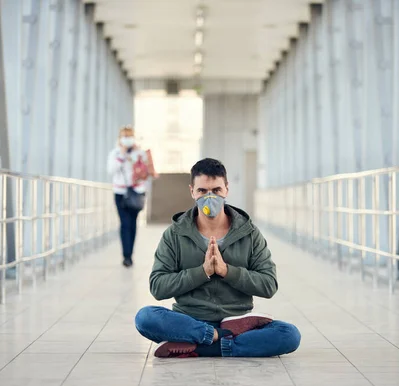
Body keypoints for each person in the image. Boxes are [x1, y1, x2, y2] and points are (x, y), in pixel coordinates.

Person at [134, 158, 301, 358]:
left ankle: (198, 345)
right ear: (192, 191)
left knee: (289, 335)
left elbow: (269, 285)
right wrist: (202, 272)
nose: (210, 197)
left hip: (238, 319)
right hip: (189, 319)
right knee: (145, 318)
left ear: (227, 189)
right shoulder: (175, 234)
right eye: (203, 191)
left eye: (216, 190)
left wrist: (227, 271)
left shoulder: (249, 234)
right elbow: (158, 287)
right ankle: (220, 337)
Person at [107, 126, 148, 267]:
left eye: (130, 136)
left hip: (136, 193)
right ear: (120, 138)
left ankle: (130, 253)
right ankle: (127, 256)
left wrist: (138, 156)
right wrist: (122, 156)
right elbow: (111, 170)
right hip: (121, 193)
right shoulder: (115, 153)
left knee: (133, 224)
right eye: (125, 136)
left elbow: (145, 172)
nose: (128, 139)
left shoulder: (140, 153)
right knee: (125, 223)